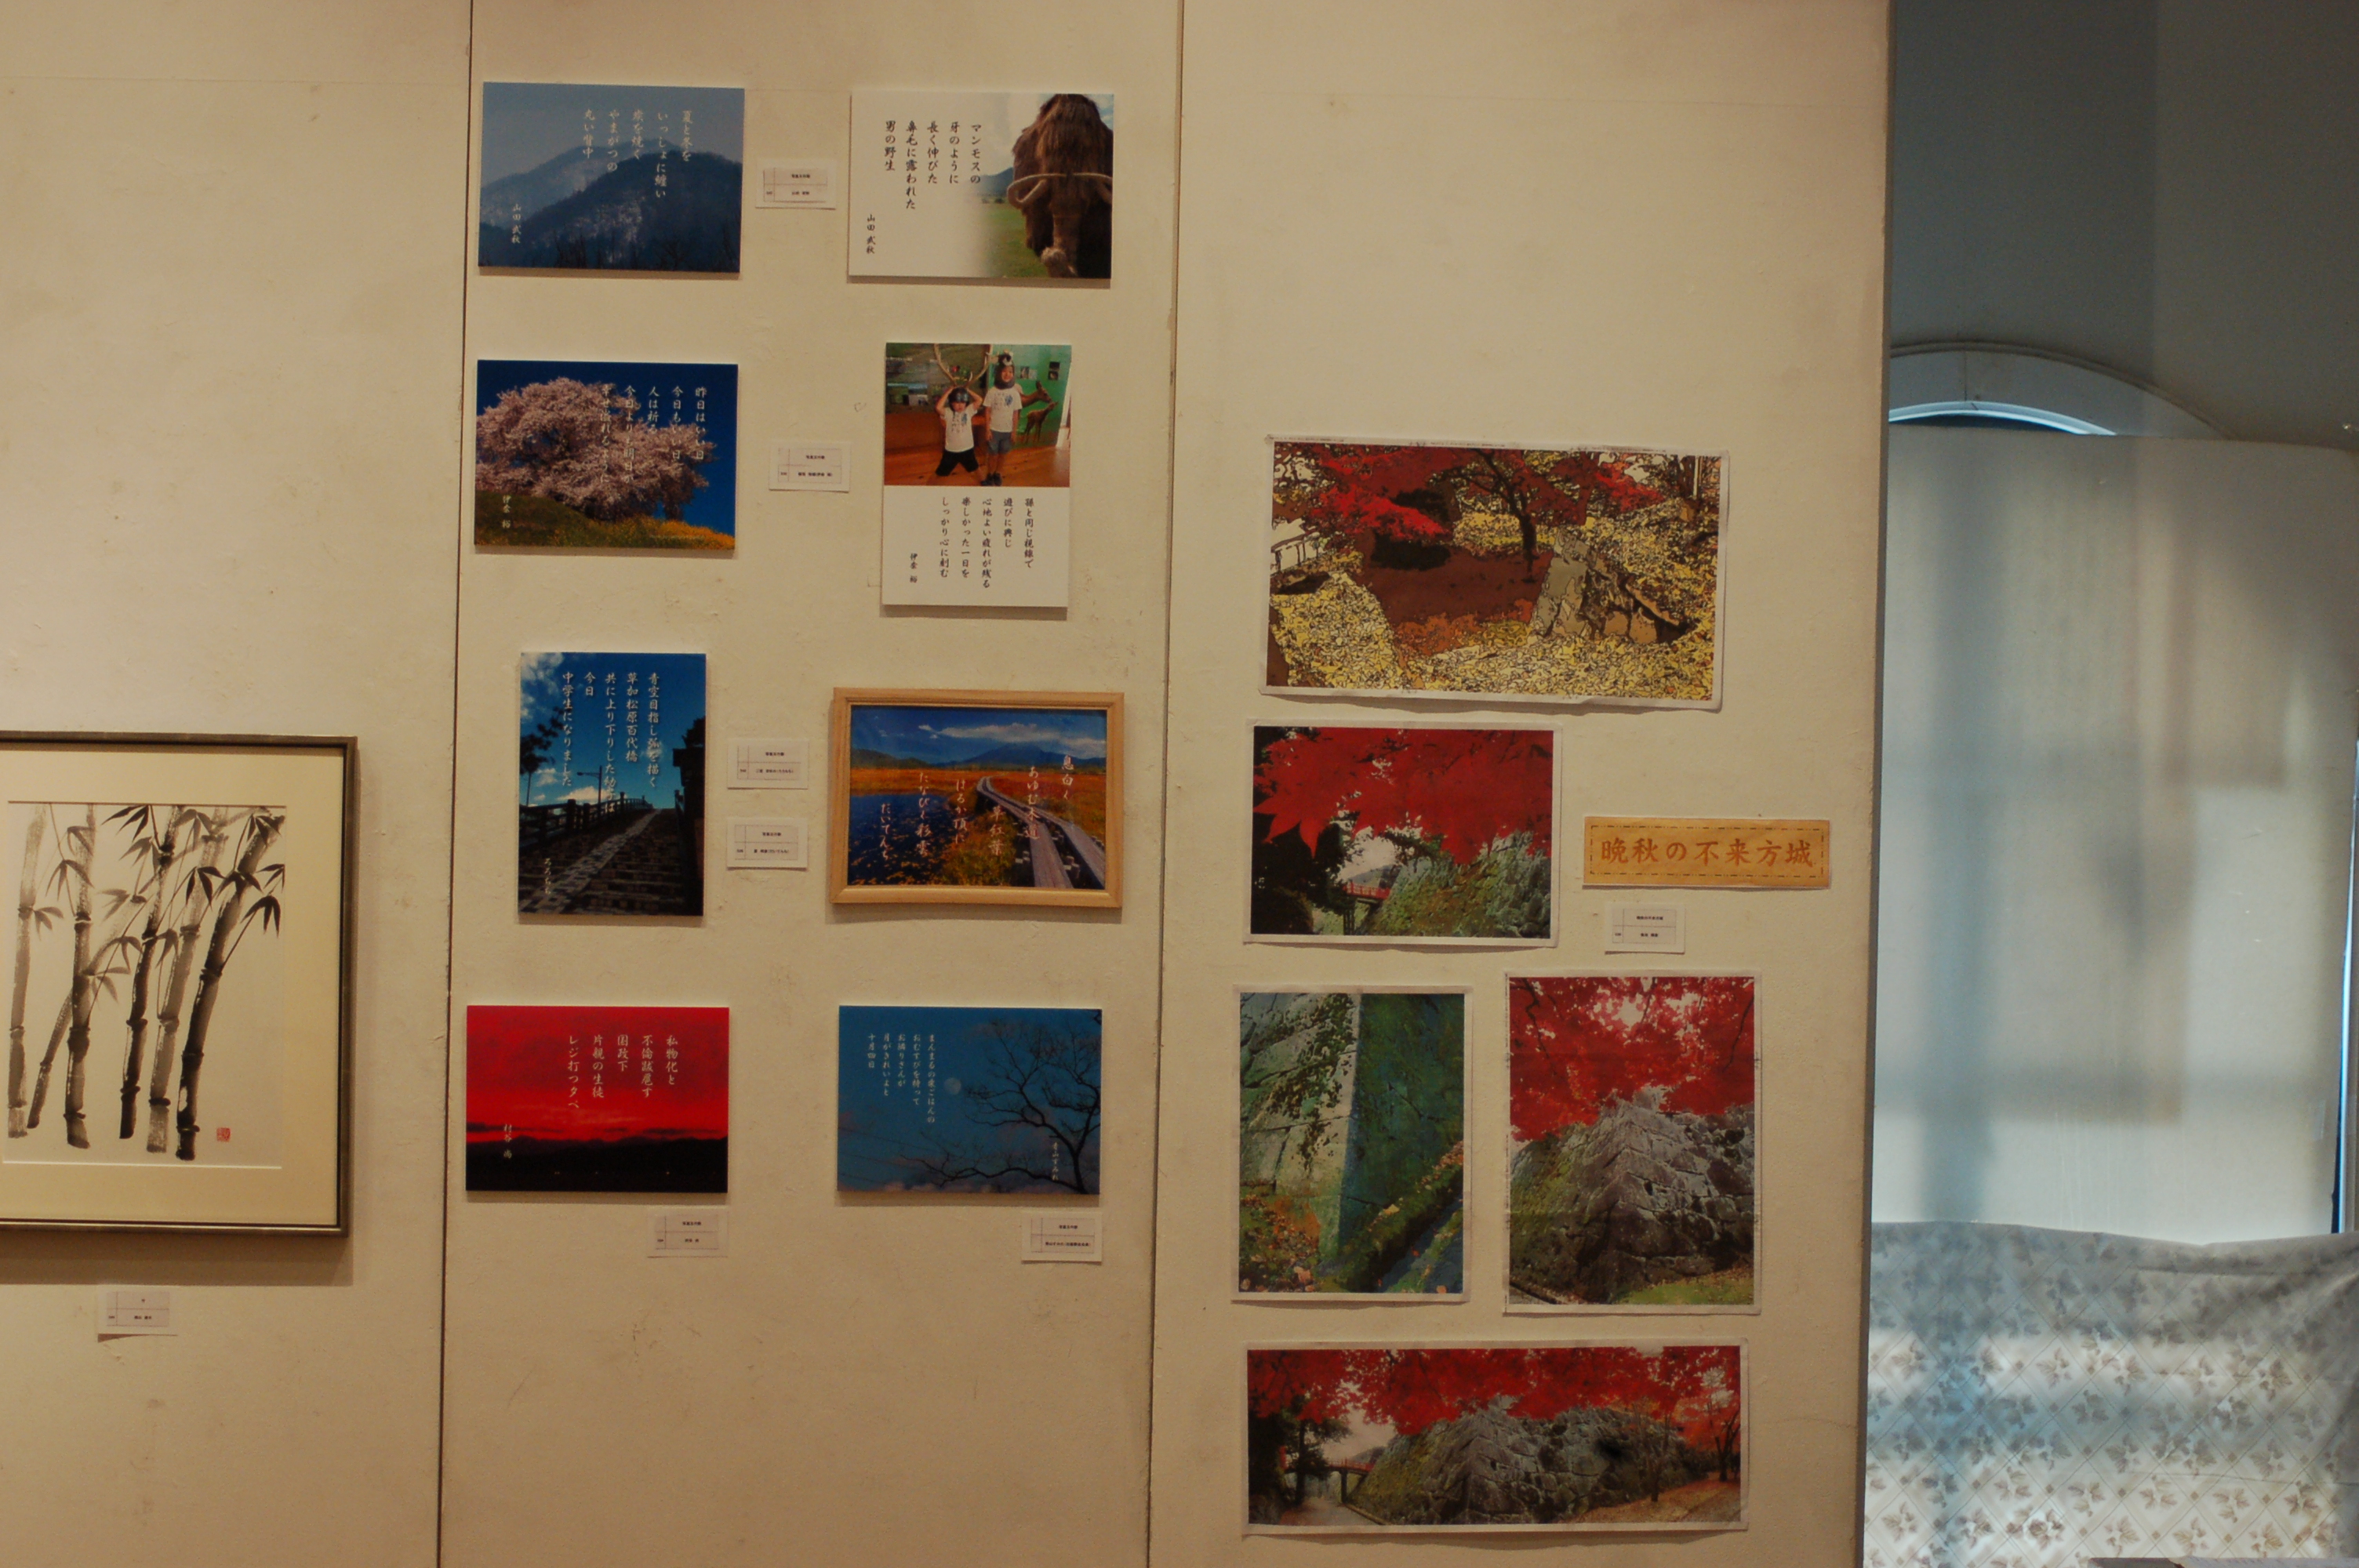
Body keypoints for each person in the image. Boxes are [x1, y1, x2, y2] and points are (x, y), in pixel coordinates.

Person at [979, 361, 1052, 486]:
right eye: (1004, 371)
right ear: (999, 373)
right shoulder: (992, 391)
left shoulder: (1015, 393)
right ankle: (990, 474)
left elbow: (1015, 413)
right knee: (992, 455)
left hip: (1007, 431)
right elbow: (987, 411)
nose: (1007, 374)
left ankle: (998, 473)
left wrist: (1014, 432)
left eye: (1010, 372)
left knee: (1003, 454)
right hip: (994, 430)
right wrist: (987, 430)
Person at [932, 385, 980, 481]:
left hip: (967, 449)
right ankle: (929, 488)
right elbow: (938, 407)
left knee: (976, 469)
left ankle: (985, 485)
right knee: (941, 474)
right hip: (951, 450)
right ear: (952, 403)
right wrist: (949, 392)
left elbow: (979, 400)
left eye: (963, 402)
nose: (960, 405)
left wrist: (968, 390)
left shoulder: (968, 411)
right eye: (957, 402)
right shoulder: (948, 412)